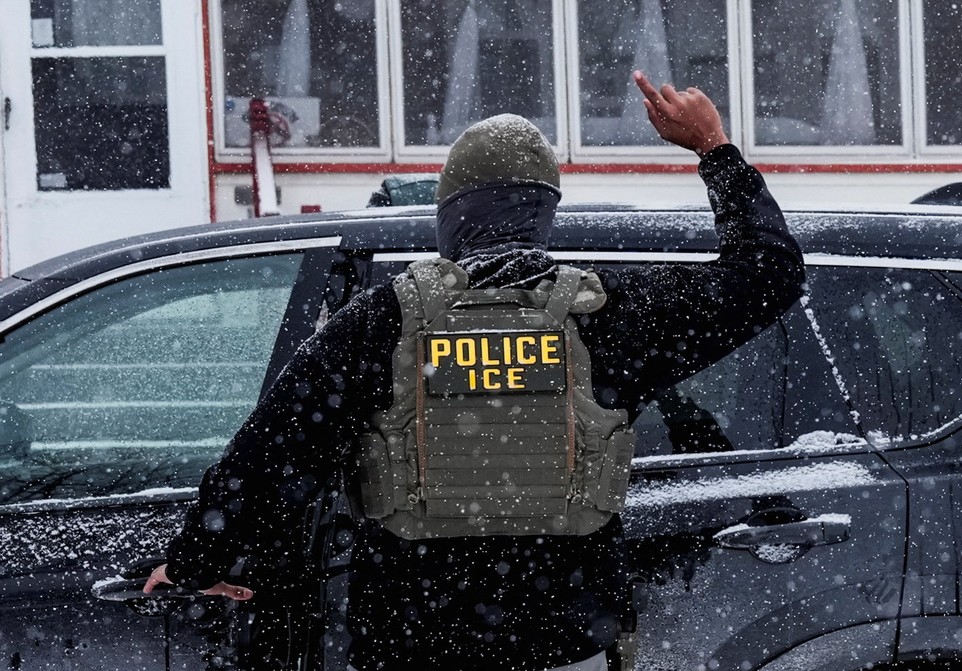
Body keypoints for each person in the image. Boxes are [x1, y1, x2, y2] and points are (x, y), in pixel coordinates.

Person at [144, 71, 805, 671]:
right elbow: (770, 273)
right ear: (543, 213)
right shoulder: (609, 317)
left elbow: (268, 455)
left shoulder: (381, 324)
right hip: (566, 644)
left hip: (414, 645)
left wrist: (195, 562)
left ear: (451, 217)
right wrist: (713, 148)